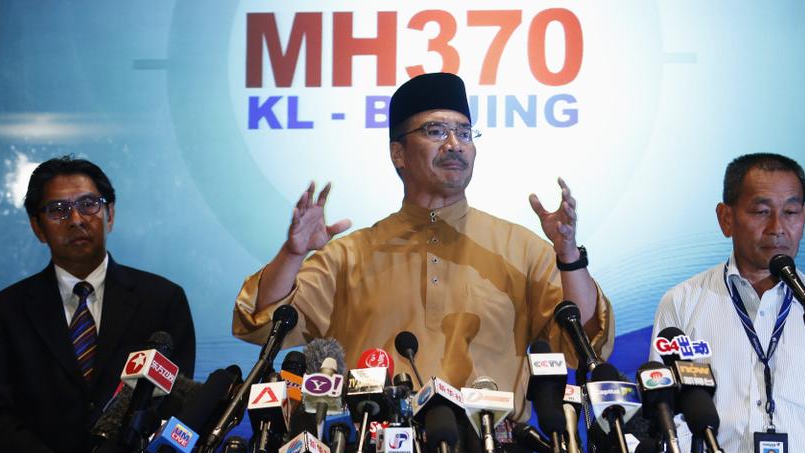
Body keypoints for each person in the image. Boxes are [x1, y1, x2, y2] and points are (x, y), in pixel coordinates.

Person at [232, 72, 615, 418]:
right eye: (435, 131)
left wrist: (568, 256)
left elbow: (585, 343)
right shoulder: (350, 256)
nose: (455, 145)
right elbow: (262, 323)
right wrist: (294, 253)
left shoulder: (521, 248)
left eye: (464, 133)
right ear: (398, 153)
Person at [0, 156, 196, 453]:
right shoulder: (5, 312)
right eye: (58, 210)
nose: (76, 219)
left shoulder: (163, 300)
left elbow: (172, 405)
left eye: (88, 204)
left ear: (110, 214)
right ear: (37, 227)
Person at [651, 153, 805, 453]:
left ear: (804, 217)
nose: (778, 228)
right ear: (726, 218)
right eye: (761, 211)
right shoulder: (684, 303)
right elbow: (670, 418)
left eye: (791, 212)